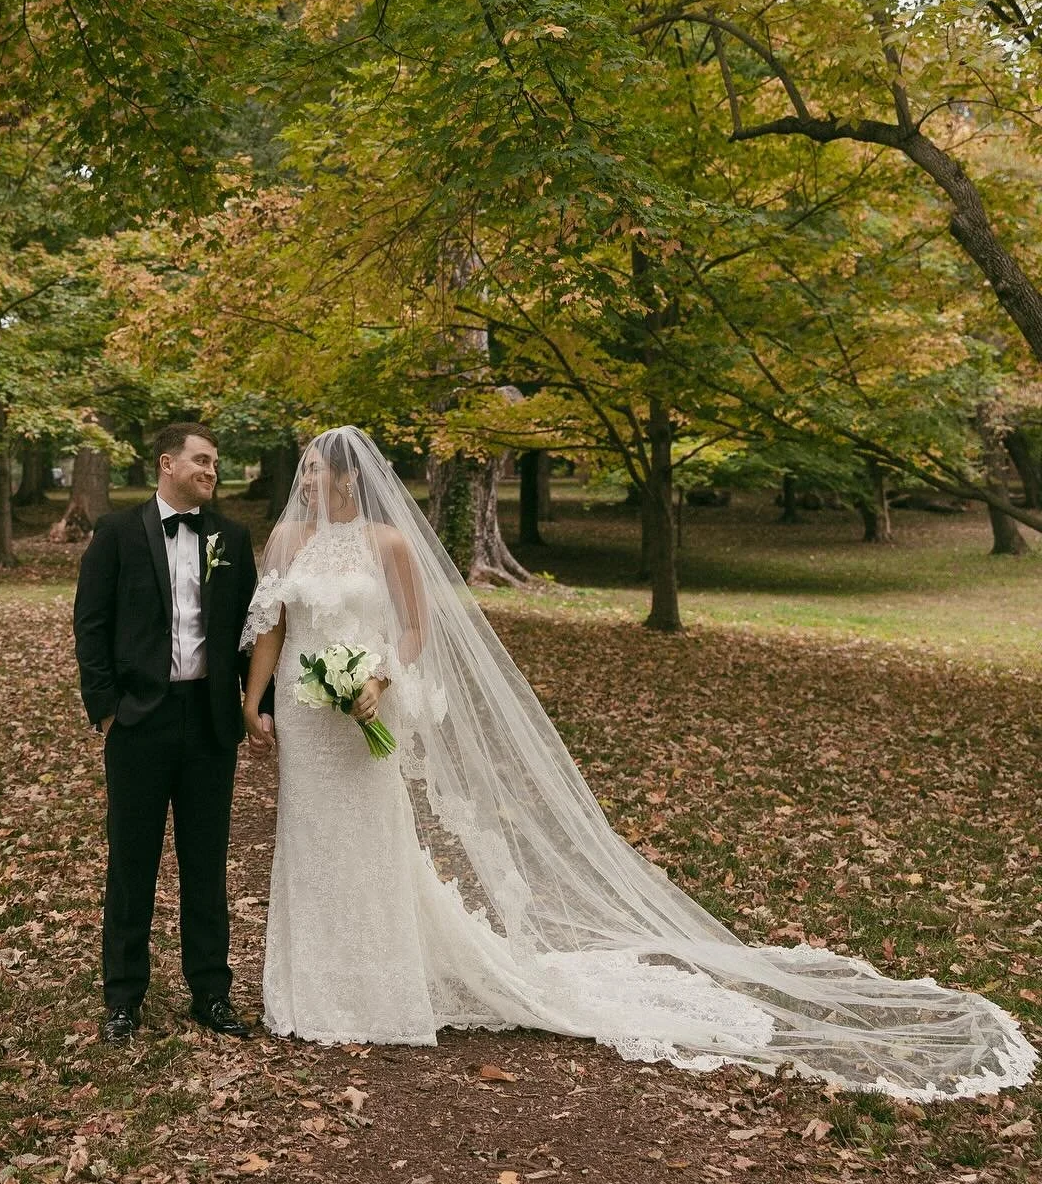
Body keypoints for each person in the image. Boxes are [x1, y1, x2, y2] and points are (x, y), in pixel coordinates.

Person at [241, 426, 1036, 1097]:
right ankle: (310, 992)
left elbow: (414, 631)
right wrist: (258, 702)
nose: (305, 481)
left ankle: (379, 992)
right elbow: (273, 624)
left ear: (347, 476)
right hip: (310, 726)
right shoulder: (285, 538)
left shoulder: (388, 542)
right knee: (310, 844)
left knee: (372, 844)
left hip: (366, 711)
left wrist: (377, 678)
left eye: (314, 469)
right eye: (304, 471)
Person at [74, 422, 266, 1045]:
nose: (212, 471)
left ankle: (210, 993)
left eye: (216, 462)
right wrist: (107, 709)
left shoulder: (231, 537)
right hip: (139, 720)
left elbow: (246, 630)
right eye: (202, 460)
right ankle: (123, 999)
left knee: (205, 865)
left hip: (209, 722)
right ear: (167, 463)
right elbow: (91, 623)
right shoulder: (118, 533)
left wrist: (250, 703)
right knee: (132, 863)